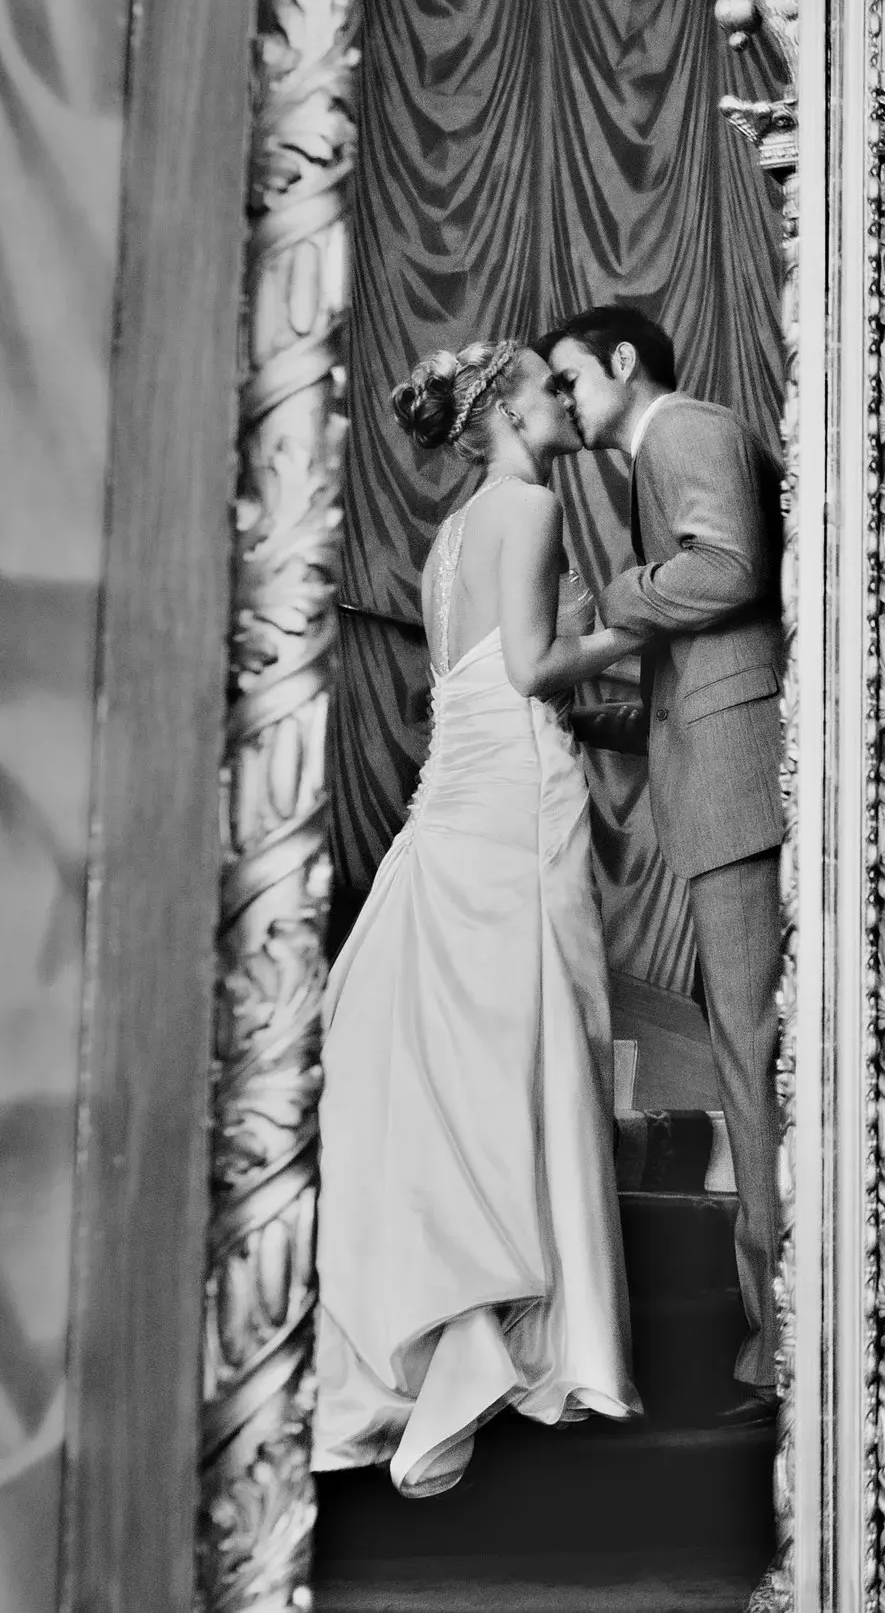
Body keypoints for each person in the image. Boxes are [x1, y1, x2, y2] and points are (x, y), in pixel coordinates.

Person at [313, 340, 648, 1495]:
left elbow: (471, 671)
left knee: (480, 1042)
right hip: (514, 786)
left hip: (455, 789)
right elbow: (533, 668)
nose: (564, 399)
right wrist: (650, 625)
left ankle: (469, 1314)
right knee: (542, 1034)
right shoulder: (532, 503)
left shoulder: (453, 529)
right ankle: (546, 1338)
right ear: (506, 409)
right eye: (548, 390)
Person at [538, 306, 787, 1423]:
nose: (560, 399)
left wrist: (606, 613)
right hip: (718, 774)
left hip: (741, 788)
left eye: (569, 377)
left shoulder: (683, 431)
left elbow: (726, 570)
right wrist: (581, 710)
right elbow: (687, 686)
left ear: (624, 364)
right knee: (748, 1053)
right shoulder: (664, 448)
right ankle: (776, 1330)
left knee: (751, 1055)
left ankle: (783, 1341)